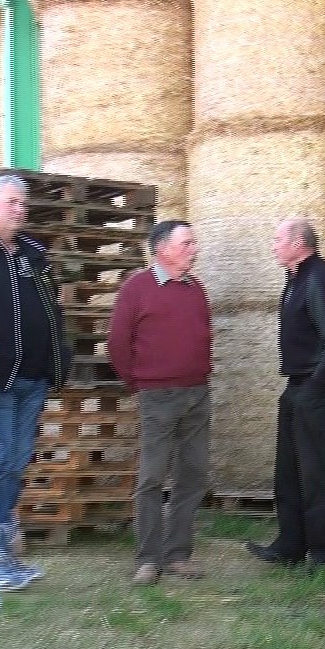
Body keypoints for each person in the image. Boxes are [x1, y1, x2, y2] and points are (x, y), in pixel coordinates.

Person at [0, 174, 71, 591]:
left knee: (17, 463)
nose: (20, 210)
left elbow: (52, 310)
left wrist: (57, 360)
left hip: (32, 378)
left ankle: (4, 552)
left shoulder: (34, 255)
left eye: (23, 203)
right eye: (11, 203)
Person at [246, 218, 325, 567]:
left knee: (315, 472)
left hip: (323, 386)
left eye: (277, 239)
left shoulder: (322, 279)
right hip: (298, 384)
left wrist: (314, 388)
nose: (273, 245)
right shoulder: (296, 278)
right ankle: (290, 545)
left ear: (298, 243)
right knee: (288, 470)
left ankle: (324, 554)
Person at [108, 220, 213, 586]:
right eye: (187, 243)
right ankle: (148, 559)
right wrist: (138, 383)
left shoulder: (196, 289)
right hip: (158, 396)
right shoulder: (137, 288)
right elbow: (117, 342)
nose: (194, 249)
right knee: (152, 477)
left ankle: (178, 555)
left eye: (193, 242)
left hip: (197, 393)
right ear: (162, 249)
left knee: (193, 475)